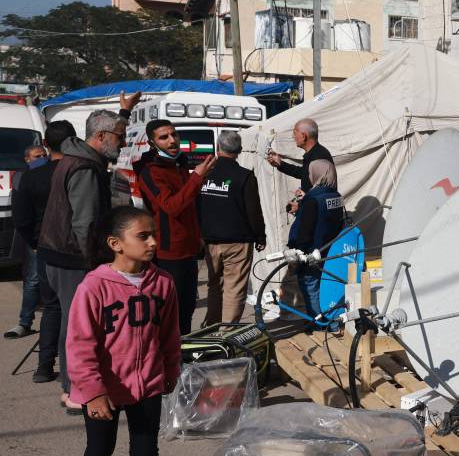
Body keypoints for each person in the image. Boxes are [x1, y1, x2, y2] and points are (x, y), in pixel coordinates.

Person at [68, 206, 180, 456]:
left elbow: (169, 335)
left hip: (147, 384)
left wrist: (170, 370)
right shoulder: (94, 287)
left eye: (153, 235)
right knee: (101, 448)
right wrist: (93, 390)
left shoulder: (162, 283)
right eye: (143, 236)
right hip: (104, 389)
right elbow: (80, 343)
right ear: (116, 244)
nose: (152, 242)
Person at [38, 107, 132, 415]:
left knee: (75, 322)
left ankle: (74, 387)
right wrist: (95, 264)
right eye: (119, 136)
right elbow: (85, 224)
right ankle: (74, 391)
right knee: (77, 326)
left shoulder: (78, 160)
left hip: (61, 255)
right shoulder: (85, 168)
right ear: (101, 136)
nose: (123, 141)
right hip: (71, 259)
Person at [137, 119, 216, 335]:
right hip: (168, 252)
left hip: (188, 248)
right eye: (164, 137)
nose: (172, 140)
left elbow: (190, 204)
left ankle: (184, 356)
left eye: (174, 134)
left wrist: (197, 234)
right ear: (152, 143)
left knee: (187, 308)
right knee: (172, 311)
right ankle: (172, 360)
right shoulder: (150, 170)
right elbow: (171, 207)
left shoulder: (179, 162)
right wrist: (197, 177)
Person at [10, 121, 74, 382]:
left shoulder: (30, 175)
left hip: (45, 247)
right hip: (70, 249)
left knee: (52, 308)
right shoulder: (78, 170)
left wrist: (34, 242)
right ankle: (69, 369)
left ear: (46, 145)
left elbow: (21, 219)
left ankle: (44, 366)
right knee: (71, 310)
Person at [198, 130, 266, 325]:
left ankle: (211, 328)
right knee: (234, 288)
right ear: (240, 150)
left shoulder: (203, 174)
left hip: (210, 239)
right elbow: (254, 211)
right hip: (238, 241)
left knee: (215, 285)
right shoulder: (244, 176)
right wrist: (260, 236)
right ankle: (227, 332)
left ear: (218, 148)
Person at [287, 160, 346, 319]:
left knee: (310, 288)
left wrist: (298, 251)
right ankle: (331, 321)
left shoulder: (312, 199)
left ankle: (319, 323)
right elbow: (326, 218)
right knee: (326, 288)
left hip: (311, 253)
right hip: (330, 250)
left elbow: (305, 230)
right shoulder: (335, 196)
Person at [4, 145, 50, 340]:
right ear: (27, 159)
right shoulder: (22, 178)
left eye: (43, 156)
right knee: (32, 280)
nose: (41, 159)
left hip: (54, 235)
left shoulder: (51, 174)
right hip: (35, 237)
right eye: (36, 157)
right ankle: (25, 322)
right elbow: (20, 214)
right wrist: (31, 240)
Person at [265, 118, 333, 212]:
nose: (293, 137)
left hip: (317, 215)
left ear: (304, 136)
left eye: (295, 133)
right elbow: (303, 174)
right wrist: (280, 164)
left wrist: (300, 206)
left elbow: (320, 193)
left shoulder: (319, 157)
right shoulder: (314, 154)